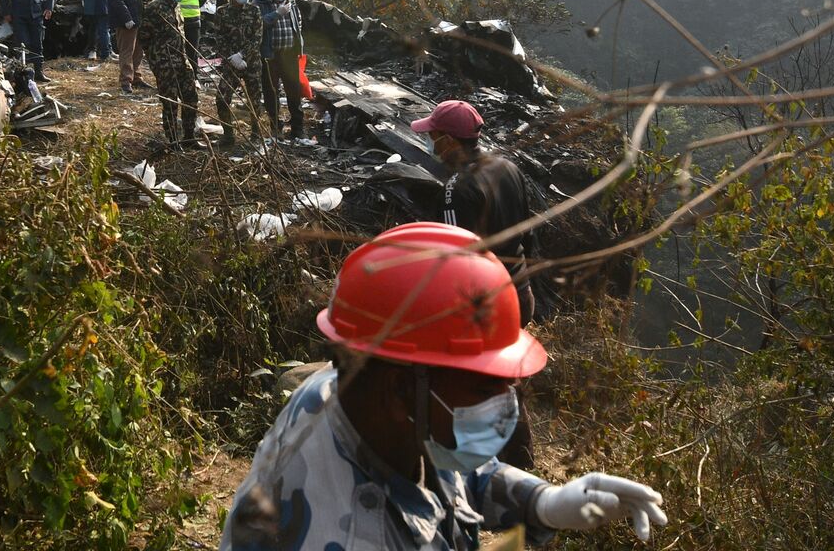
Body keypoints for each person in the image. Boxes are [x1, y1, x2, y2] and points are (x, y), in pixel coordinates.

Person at [220, 222, 668, 551]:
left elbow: (452, 475)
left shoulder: (351, 394)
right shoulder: (355, 536)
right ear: (399, 389)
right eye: (484, 388)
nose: (504, 406)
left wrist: (543, 503)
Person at [412, 99, 541, 470]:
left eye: (433, 136)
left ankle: (477, 469)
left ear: (450, 141)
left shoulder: (456, 189)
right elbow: (527, 231)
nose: (430, 142)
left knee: (468, 384)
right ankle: (522, 464)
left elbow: (459, 259)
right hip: (520, 293)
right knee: (506, 380)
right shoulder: (507, 167)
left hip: (485, 305)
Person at [139, 0, 200, 147]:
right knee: (170, 103)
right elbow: (143, 37)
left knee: (191, 98)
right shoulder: (154, 7)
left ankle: (189, 137)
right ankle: (173, 141)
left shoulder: (176, 6)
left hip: (182, 60)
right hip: (165, 64)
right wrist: (156, 61)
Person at [213, 0, 264, 147]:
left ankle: (256, 134)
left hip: (252, 62)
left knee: (254, 99)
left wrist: (242, 55)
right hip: (230, 64)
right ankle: (228, 134)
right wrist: (231, 57)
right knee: (221, 98)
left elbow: (257, 38)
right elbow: (219, 38)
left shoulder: (254, 11)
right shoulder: (222, 12)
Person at [253, 0, 304, 139]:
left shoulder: (291, 2)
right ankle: (276, 127)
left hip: (289, 54)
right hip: (270, 55)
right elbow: (256, 25)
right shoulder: (259, 2)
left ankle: (298, 128)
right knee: (271, 92)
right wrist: (277, 14)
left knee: (294, 91)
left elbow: (298, 22)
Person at [106, 0, 152, 95]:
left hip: (137, 18)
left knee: (138, 50)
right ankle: (126, 81)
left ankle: (136, 77)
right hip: (126, 20)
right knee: (127, 51)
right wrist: (126, 18)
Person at [160, 0, 206, 82]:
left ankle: (193, 79)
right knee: (174, 52)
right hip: (172, 21)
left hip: (191, 21)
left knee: (192, 52)